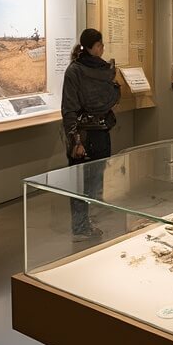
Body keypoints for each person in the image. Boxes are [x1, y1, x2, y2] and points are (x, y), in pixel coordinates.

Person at [62, 28, 120, 240]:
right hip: (86, 136)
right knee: (81, 182)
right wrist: (76, 141)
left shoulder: (100, 70)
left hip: (99, 133)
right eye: (100, 45)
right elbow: (70, 110)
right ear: (94, 47)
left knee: (91, 180)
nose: (103, 48)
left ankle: (84, 222)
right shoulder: (76, 71)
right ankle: (80, 227)